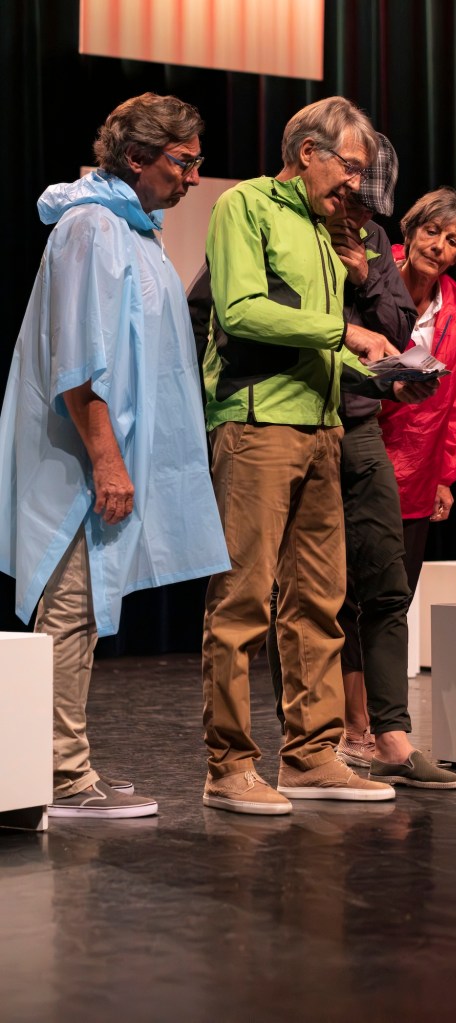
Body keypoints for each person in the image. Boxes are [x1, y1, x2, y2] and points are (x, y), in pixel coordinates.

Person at [0, 93, 230, 818]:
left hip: (102, 453)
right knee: (70, 605)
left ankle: (69, 762)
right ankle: (59, 774)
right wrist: (106, 459)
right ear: (136, 157)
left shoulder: (132, 230)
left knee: (86, 606)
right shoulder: (91, 227)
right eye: (183, 162)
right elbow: (79, 364)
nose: (193, 177)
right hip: (81, 458)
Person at [201, 97, 399, 816]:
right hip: (256, 424)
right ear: (308, 151)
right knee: (241, 599)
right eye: (349, 166)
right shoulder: (245, 206)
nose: (354, 183)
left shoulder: (325, 228)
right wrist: (344, 333)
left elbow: (316, 343)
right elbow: (241, 310)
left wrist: (381, 371)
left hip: (322, 427)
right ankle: (228, 767)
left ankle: (311, 756)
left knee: (319, 600)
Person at [266, 136, 456, 790]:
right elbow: (230, 311)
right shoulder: (279, 222)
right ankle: (314, 744)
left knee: (387, 579)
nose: (355, 209)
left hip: (356, 421)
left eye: (366, 201)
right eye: (349, 192)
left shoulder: (371, 238)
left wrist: (364, 279)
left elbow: (397, 328)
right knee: (305, 590)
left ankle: (392, 738)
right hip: (293, 414)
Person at [378, 187, 456, 595]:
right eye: (432, 231)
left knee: (397, 593)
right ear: (411, 232)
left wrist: (444, 477)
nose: (438, 247)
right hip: (360, 450)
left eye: (452, 241)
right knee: (344, 594)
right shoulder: (372, 278)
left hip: (418, 467)